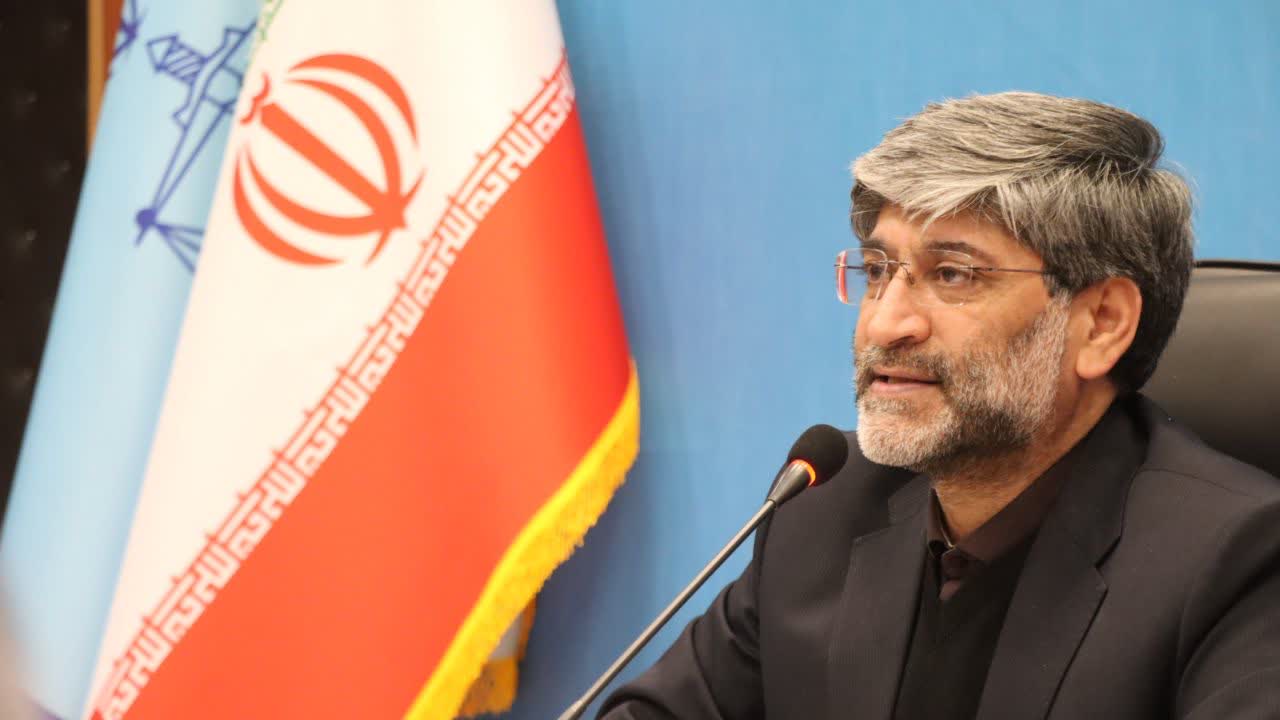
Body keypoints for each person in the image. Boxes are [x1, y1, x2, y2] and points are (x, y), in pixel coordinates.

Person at [598, 92, 1280, 719]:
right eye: (877, 271)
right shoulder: (825, 508)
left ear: (1101, 323)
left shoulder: (1236, 564)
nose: (885, 323)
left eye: (952, 274)